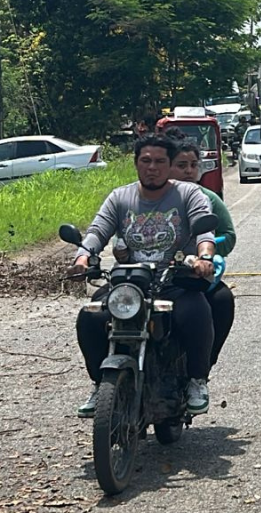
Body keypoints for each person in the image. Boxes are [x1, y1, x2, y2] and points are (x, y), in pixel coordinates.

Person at [72, 135, 218, 418]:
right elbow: (97, 231)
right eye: (146, 161)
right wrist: (81, 258)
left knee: (197, 310)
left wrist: (205, 257)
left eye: (160, 161)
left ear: (168, 165)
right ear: (136, 163)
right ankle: (100, 384)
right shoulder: (120, 197)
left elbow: (205, 231)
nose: (152, 167)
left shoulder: (189, 194)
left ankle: (196, 381)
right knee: (90, 317)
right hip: (128, 283)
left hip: (174, 279)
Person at [166, 135, 236, 368]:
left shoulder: (209, 199)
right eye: (181, 165)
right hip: (150, 274)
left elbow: (229, 236)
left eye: (193, 165)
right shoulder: (146, 197)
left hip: (189, 274)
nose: (188, 171)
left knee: (222, 299)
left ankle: (203, 367)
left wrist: (203, 252)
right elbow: (122, 237)